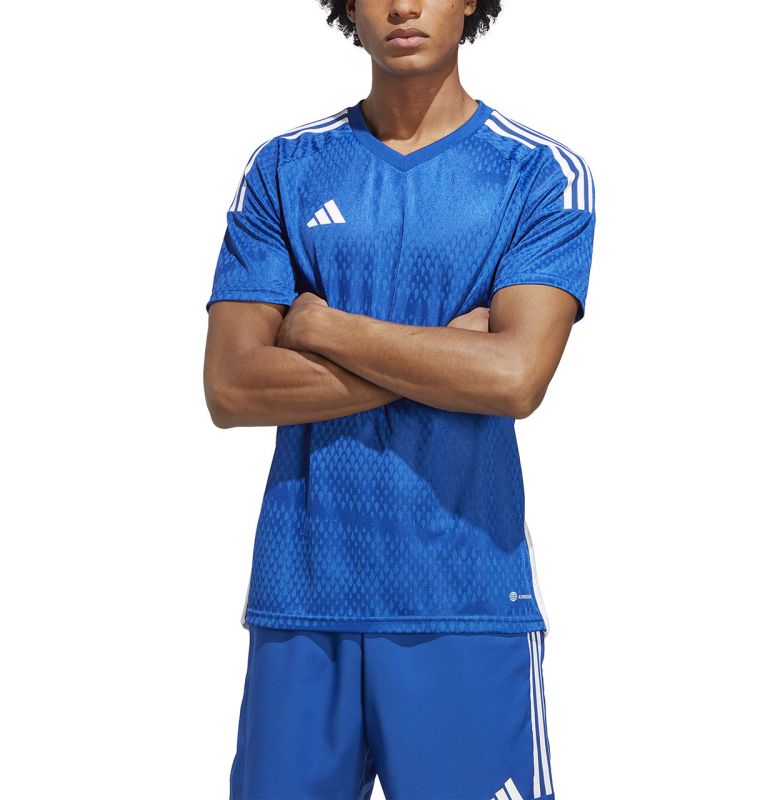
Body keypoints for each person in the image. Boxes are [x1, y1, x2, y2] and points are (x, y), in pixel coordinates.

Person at [203, 1, 596, 797]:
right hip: (302, 595)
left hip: (464, 600)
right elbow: (232, 386)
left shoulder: (536, 172)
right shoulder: (284, 168)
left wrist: (324, 327)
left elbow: (514, 379)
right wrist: (446, 351)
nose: (404, 5)